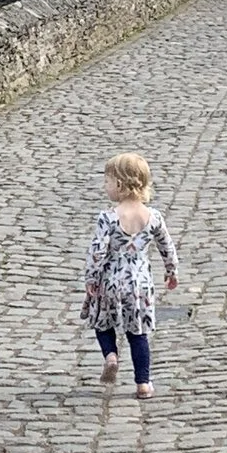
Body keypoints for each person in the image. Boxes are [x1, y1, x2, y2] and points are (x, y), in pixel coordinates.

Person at [83, 150, 180, 397]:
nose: (105, 187)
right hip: (140, 284)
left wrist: (91, 278)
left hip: (111, 281)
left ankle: (111, 356)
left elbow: (97, 251)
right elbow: (166, 246)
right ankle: (143, 384)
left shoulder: (108, 218)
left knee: (103, 323)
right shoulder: (153, 216)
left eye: (107, 182)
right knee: (138, 333)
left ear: (119, 184)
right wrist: (171, 271)